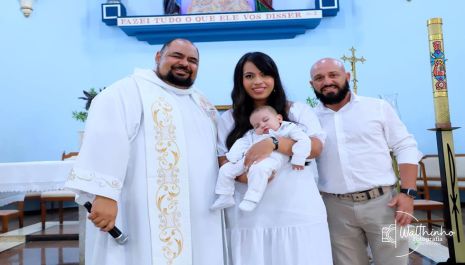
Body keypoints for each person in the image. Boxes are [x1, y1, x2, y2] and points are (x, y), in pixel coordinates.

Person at [65, 39, 224, 265]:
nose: (184, 63)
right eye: (176, 56)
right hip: (140, 212)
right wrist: (104, 195)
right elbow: (107, 138)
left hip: (200, 212)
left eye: (192, 60)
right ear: (158, 57)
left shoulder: (200, 101)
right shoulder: (128, 91)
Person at [217, 51, 332, 265]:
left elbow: (315, 148)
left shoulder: (297, 110)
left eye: (264, 74)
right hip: (249, 215)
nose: (258, 81)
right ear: (240, 81)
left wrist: (273, 143)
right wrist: (250, 178)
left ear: (274, 79)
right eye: (249, 76)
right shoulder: (229, 119)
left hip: (297, 208)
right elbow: (223, 159)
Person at [309, 57, 421, 265]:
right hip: (334, 208)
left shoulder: (377, 108)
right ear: (312, 84)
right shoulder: (309, 119)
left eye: (333, 75)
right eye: (319, 78)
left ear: (347, 77)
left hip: (383, 204)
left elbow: (405, 146)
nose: (326, 81)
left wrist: (408, 193)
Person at [211, 105, 310, 212]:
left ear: (279, 118)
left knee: (258, 169)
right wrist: (232, 158)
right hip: (248, 158)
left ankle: (251, 199)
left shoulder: (288, 128)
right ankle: (225, 195)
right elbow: (241, 143)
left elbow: (304, 140)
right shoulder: (253, 134)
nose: (262, 125)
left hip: (271, 159)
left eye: (266, 120)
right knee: (226, 169)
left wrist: (299, 158)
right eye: (257, 125)